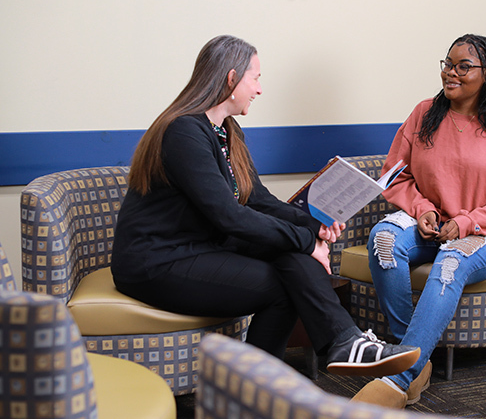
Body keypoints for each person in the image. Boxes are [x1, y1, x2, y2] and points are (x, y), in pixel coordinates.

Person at [111, 35, 419, 377]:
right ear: (231, 78)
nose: (259, 89)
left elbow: (257, 199)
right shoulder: (183, 132)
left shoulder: (227, 131)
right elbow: (228, 216)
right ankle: (257, 390)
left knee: (289, 260)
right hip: (157, 261)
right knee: (285, 283)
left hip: (200, 247)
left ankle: (344, 344)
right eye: (255, 78)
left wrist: (313, 228)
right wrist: (306, 242)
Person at [352, 34, 486, 407]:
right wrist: (422, 208)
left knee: (451, 261)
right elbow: (395, 174)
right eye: (448, 64)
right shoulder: (425, 113)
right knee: (384, 239)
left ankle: (398, 376)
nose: (451, 73)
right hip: (435, 224)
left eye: (463, 67)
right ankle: (415, 359)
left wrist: (468, 221)